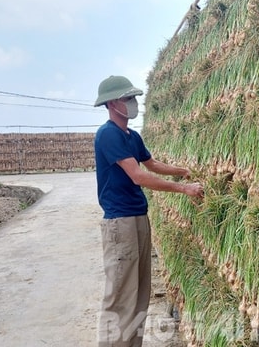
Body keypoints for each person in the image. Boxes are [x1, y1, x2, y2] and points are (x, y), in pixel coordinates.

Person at [93, 75, 204, 347]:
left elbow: (151, 164)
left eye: (133, 98)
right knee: (120, 295)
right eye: (127, 98)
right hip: (121, 224)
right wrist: (184, 189)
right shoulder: (108, 134)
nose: (132, 103)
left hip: (137, 219)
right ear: (112, 104)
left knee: (140, 293)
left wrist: (184, 171)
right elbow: (138, 176)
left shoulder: (132, 136)